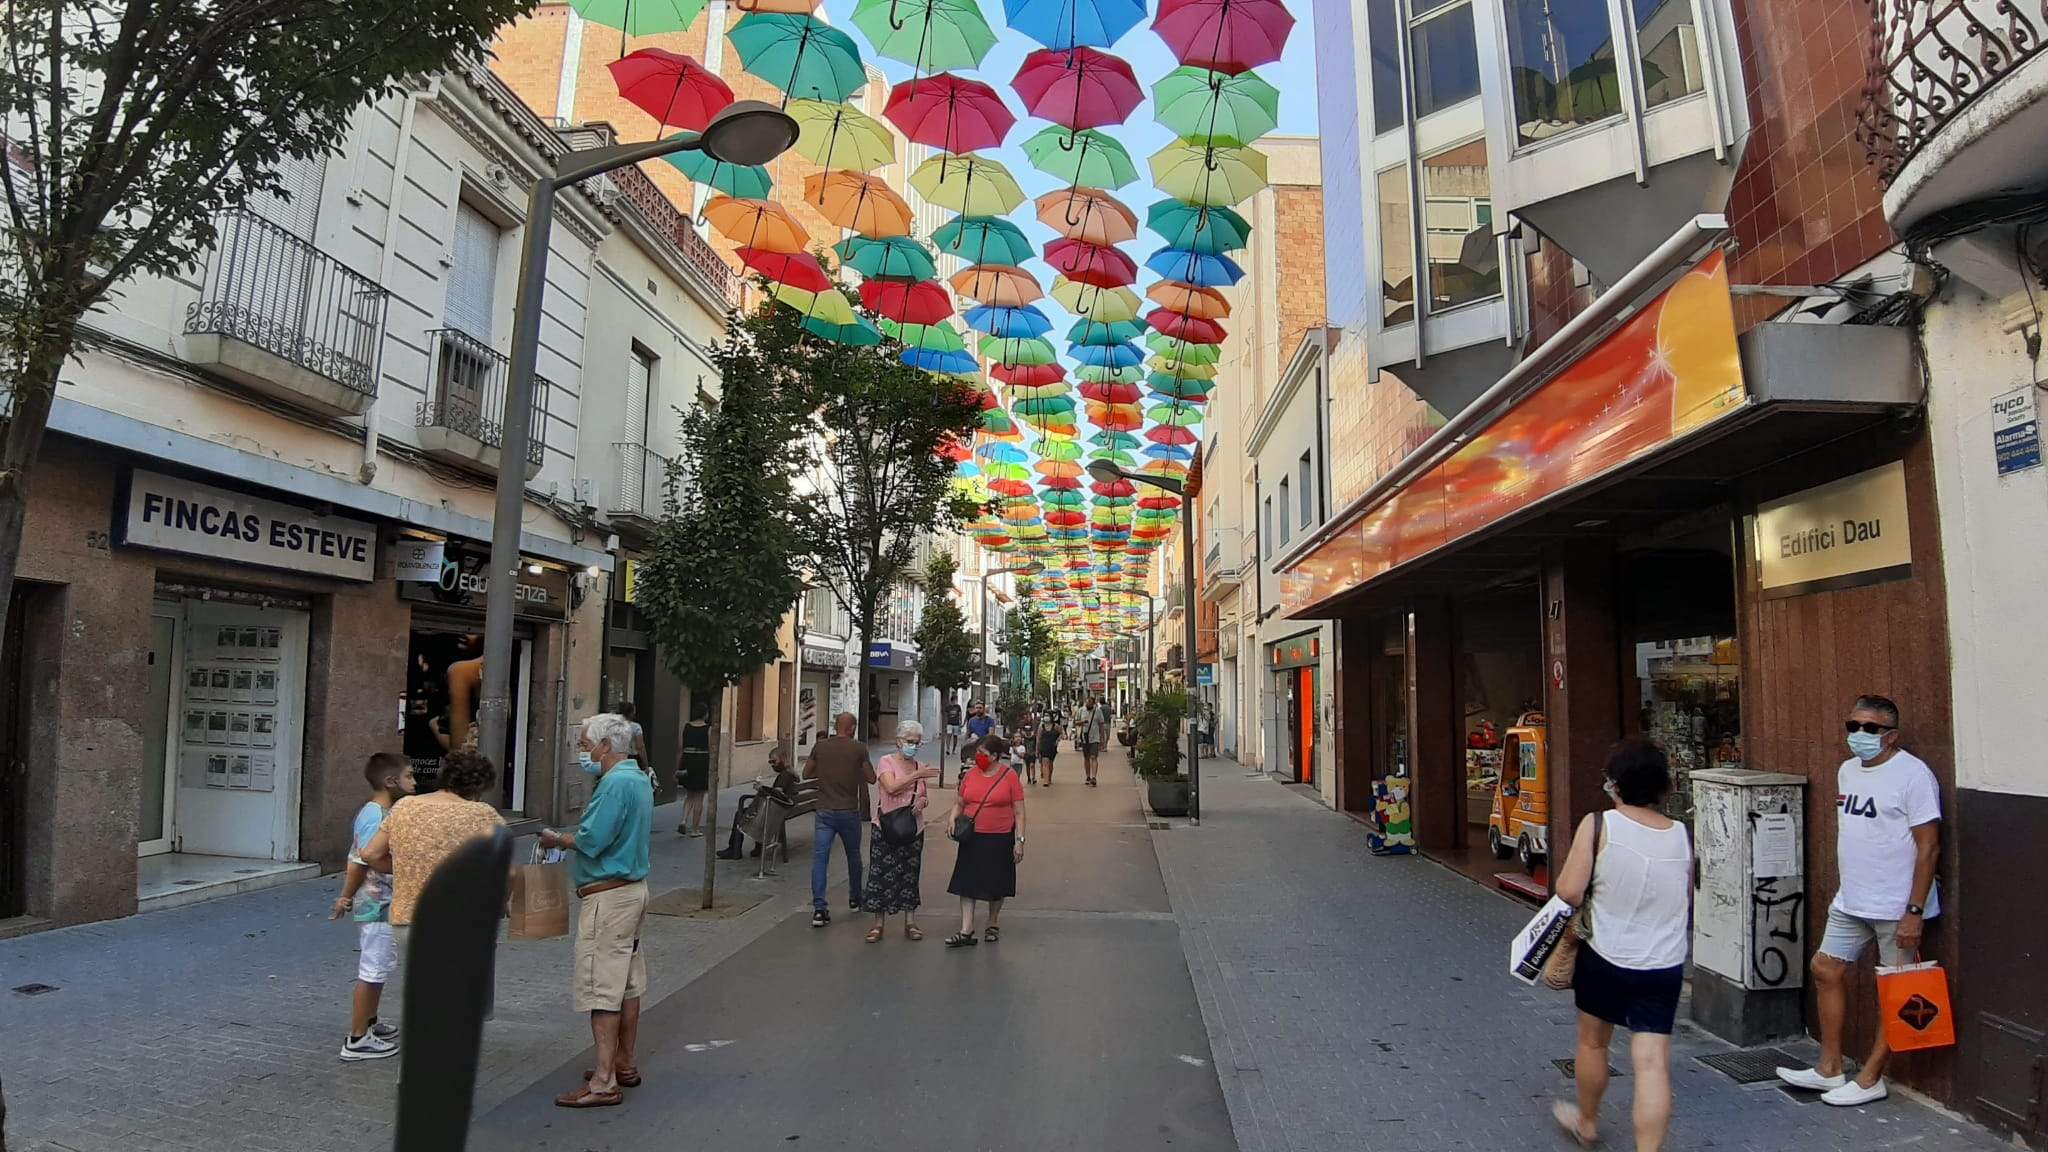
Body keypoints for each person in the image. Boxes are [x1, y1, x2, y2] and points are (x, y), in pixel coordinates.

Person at [1777, 694, 1941, 1107]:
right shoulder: (1847, 771)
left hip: (1895, 905)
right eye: (1853, 726)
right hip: (1852, 900)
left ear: (1891, 736)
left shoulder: (1913, 776)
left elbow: (1929, 847)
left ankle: (1871, 1078)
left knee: (1896, 990)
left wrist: (1914, 911)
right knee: (1825, 968)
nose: (1860, 735)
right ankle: (1830, 1068)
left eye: (1871, 729)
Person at [1550, 740, 1692, 1152]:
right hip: (1663, 964)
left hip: (1605, 957)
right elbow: (1685, 897)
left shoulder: (1599, 825)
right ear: (1663, 787)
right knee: (1652, 1063)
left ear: (1614, 785)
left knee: (1594, 1041)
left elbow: (1569, 891)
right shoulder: (1681, 836)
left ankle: (1588, 1122)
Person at [540, 713, 656, 1109]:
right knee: (627, 983)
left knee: (602, 987)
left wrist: (558, 838)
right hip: (632, 890)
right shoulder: (639, 778)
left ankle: (605, 1081)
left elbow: (593, 839)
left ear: (606, 746)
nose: (584, 752)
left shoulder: (614, 784)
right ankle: (624, 1062)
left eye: (586, 745)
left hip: (608, 897)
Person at [359, 748, 504, 993]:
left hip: (408, 919)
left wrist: (409, 867)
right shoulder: (482, 815)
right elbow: (506, 872)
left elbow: (370, 854)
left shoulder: (405, 806)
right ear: (479, 786)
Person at [330, 752, 415, 1061]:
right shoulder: (377, 817)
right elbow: (361, 860)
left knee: (380, 966)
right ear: (391, 781)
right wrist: (345, 897)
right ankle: (357, 1039)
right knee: (373, 969)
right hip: (377, 904)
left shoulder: (380, 812)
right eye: (410, 776)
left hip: (381, 903)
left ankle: (370, 1023)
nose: (414, 782)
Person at [944, 735, 1027, 948]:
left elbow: (1019, 811)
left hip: (1000, 837)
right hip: (973, 837)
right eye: (977, 753)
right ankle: (966, 929)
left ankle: (992, 922)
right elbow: (960, 802)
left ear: (996, 756)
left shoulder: (1009, 776)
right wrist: (952, 817)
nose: (979, 757)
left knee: (997, 883)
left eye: (984, 754)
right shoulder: (970, 775)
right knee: (966, 883)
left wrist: (1020, 840)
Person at [867, 720, 940, 942]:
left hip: (912, 828)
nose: (914, 746)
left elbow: (923, 794)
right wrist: (917, 776)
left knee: (909, 874)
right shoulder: (885, 762)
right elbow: (890, 787)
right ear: (899, 741)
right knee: (879, 874)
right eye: (910, 742)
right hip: (886, 826)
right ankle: (878, 925)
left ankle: (910, 922)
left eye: (917, 743)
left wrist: (922, 803)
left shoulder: (919, 766)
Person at [805, 712, 876, 927]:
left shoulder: (820, 747)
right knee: (853, 856)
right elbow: (871, 778)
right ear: (853, 727)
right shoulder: (859, 748)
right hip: (848, 811)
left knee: (820, 859)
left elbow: (806, 773)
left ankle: (819, 908)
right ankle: (855, 898)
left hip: (824, 811)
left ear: (836, 726)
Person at [717, 744, 800, 861]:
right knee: (754, 808)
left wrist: (761, 789)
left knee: (740, 813)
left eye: (774, 761)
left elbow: (777, 795)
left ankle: (734, 849)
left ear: (783, 759)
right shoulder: (791, 773)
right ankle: (758, 847)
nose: (772, 765)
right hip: (786, 809)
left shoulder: (785, 775)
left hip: (778, 810)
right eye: (770, 762)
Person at [676, 699, 711, 837]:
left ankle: (683, 820)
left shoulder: (686, 727)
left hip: (688, 760)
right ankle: (695, 829)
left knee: (689, 794)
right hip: (702, 761)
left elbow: (680, 748)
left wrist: (678, 766)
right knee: (699, 796)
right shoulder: (708, 729)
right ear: (705, 714)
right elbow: (711, 748)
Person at [1080, 695, 1109, 787]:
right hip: (1084, 738)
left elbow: (1101, 724)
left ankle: (1094, 777)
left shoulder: (1098, 711)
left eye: (1090, 702)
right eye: (1087, 702)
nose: (1088, 704)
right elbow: (1075, 722)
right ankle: (1088, 776)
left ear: (1093, 703)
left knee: (1093, 757)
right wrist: (1082, 722)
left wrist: (1102, 738)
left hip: (1095, 738)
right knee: (1086, 758)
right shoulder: (1081, 710)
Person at [1035, 709, 1062, 787]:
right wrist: (1037, 749)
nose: (1046, 717)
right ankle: (1046, 781)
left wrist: (1057, 740)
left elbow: (1061, 733)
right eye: (1045, 715)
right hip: (1043, 747)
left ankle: (1049, 777)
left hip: (1052, 747)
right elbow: (1038, 739)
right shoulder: (1041, 727)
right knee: (1045, 762)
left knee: (1050, 763)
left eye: (1048, 715)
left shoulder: (1056, 726)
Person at [1013, 710, 1039, 785]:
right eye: (1027, 716)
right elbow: (1020, 735)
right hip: (1026, 749)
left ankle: (1033, 778)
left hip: (1032, 748)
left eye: (1029, 716)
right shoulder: (1022, 726)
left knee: (1032, 764)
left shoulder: (1034, 725)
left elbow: (1036, 735)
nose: (1028, 718)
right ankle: (1028, 777)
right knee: (1027, 765)